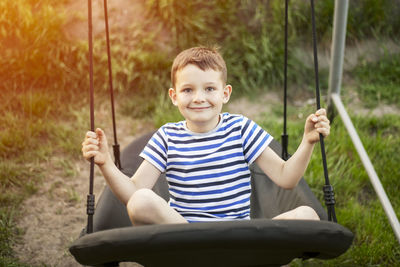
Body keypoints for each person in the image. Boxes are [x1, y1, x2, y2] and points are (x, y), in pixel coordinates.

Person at [82, 46, 330, 225]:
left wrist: (307, 142)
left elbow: (286, 178)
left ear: (225, 93)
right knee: (140, 201)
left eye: (209, 88)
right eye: (188, 90)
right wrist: (106, 163)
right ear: (174, 96)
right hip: (185, 237)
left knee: (307, 214)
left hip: (237, 236)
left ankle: (242, 254)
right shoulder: (167, 137)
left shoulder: (241, 129)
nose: (199, 97)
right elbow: (132, 192)